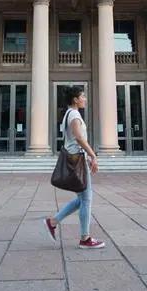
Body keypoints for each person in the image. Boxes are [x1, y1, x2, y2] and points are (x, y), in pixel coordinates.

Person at [42, 85, 105, 249]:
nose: (85, 99)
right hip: (77, 160)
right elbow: (79, 138)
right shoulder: (74, 115)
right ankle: (85, 238)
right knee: (86, 199)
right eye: (82, 96)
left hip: (76, 159)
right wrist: (93, 155)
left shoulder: (69, 114)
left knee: (82, 198)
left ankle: (53, 222)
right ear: (75, 99)